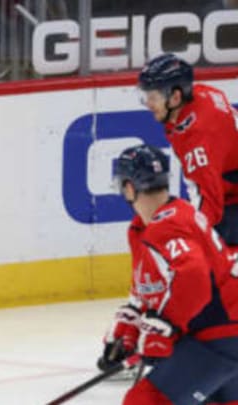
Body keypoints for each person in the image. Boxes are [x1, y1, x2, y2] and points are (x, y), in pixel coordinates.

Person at [98, 144, 238, 404]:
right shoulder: (152, 224)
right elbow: (148, 287)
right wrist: (129, 326)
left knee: (145, 401)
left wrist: (168, 325)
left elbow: (194, 276)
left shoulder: (168, 225)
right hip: (222, 335)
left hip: (218, 335)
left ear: (129, 187)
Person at [138, 53, 238, 250]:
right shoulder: (200, 94)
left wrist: (190, 242)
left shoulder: (197, 138)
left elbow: (210, 204)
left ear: (175, 97)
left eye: (153, 96)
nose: (148, 103)